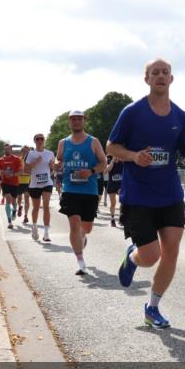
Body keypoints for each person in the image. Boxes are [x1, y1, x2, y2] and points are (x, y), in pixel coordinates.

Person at [107, 58, 185, 329]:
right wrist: (134, 156)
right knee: (151, 257)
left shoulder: (181, 118)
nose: (160, 76)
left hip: (169, 194)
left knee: (171, 251)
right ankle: (133, 255)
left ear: (171, 79)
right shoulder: (132, 112)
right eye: (154, 72)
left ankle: (152, 307)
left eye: (165, 72)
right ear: (146, 79)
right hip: (138, 196)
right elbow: (112, 146)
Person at [55, 111, 108, 275]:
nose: (76, 122)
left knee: (86, 227)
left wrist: (91, 171)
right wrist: (57, 164)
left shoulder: (93, 142)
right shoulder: (63, 143)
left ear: (84, 121)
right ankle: (80, 261)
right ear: (69, 122)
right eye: (73, 119)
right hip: (70, 188)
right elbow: (59, 159)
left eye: (79, 119)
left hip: (89, 190)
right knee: (74, 224)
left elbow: (104, 162)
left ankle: (83, 236)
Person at [25, 133, 56, 242]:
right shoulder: (30, 154)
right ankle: (34, 227)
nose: (39, 140)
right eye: (37, 139)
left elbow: (53, 168)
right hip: (34, 184)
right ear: (34, 141)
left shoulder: (50, 154)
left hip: (47, 183)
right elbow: (26, 170)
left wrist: (53, 166)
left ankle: (46, 233)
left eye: (41, 139)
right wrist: (35, 162)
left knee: (46, 205)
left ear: (44, 141)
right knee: (36, 207)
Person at [0, 143, 24, 229]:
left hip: (14, 183)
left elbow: (21, 172)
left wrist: (13, 174)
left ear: (11, 150)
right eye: (5, 149)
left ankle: (14, 210)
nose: (6, 150)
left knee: (13, 201)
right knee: (8, 199)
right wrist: (2, 172)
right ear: (3, 150)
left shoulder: (16, 159)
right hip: (5, 182)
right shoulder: (0, 160)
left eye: (8, 149)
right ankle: (9, 221)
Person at [104, 154, 122, 227]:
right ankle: (112, 218)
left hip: (120, 184)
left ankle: (121, 217)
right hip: (112, 184)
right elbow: (106, 171)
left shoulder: (122, 162)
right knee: (113, 203)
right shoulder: (109, 160)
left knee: (122, 201)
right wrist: (113, 161)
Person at [17, 147, 31, 223]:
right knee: (19, 198)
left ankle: (26, 215)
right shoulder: (18, 160)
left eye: (27, 151)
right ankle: (19, 207)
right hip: (19, 181)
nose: (25, 152)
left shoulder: (31, 160)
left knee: (26, 198)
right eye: (24, 151)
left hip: (28, 181)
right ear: (21, 152)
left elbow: (32, 170)